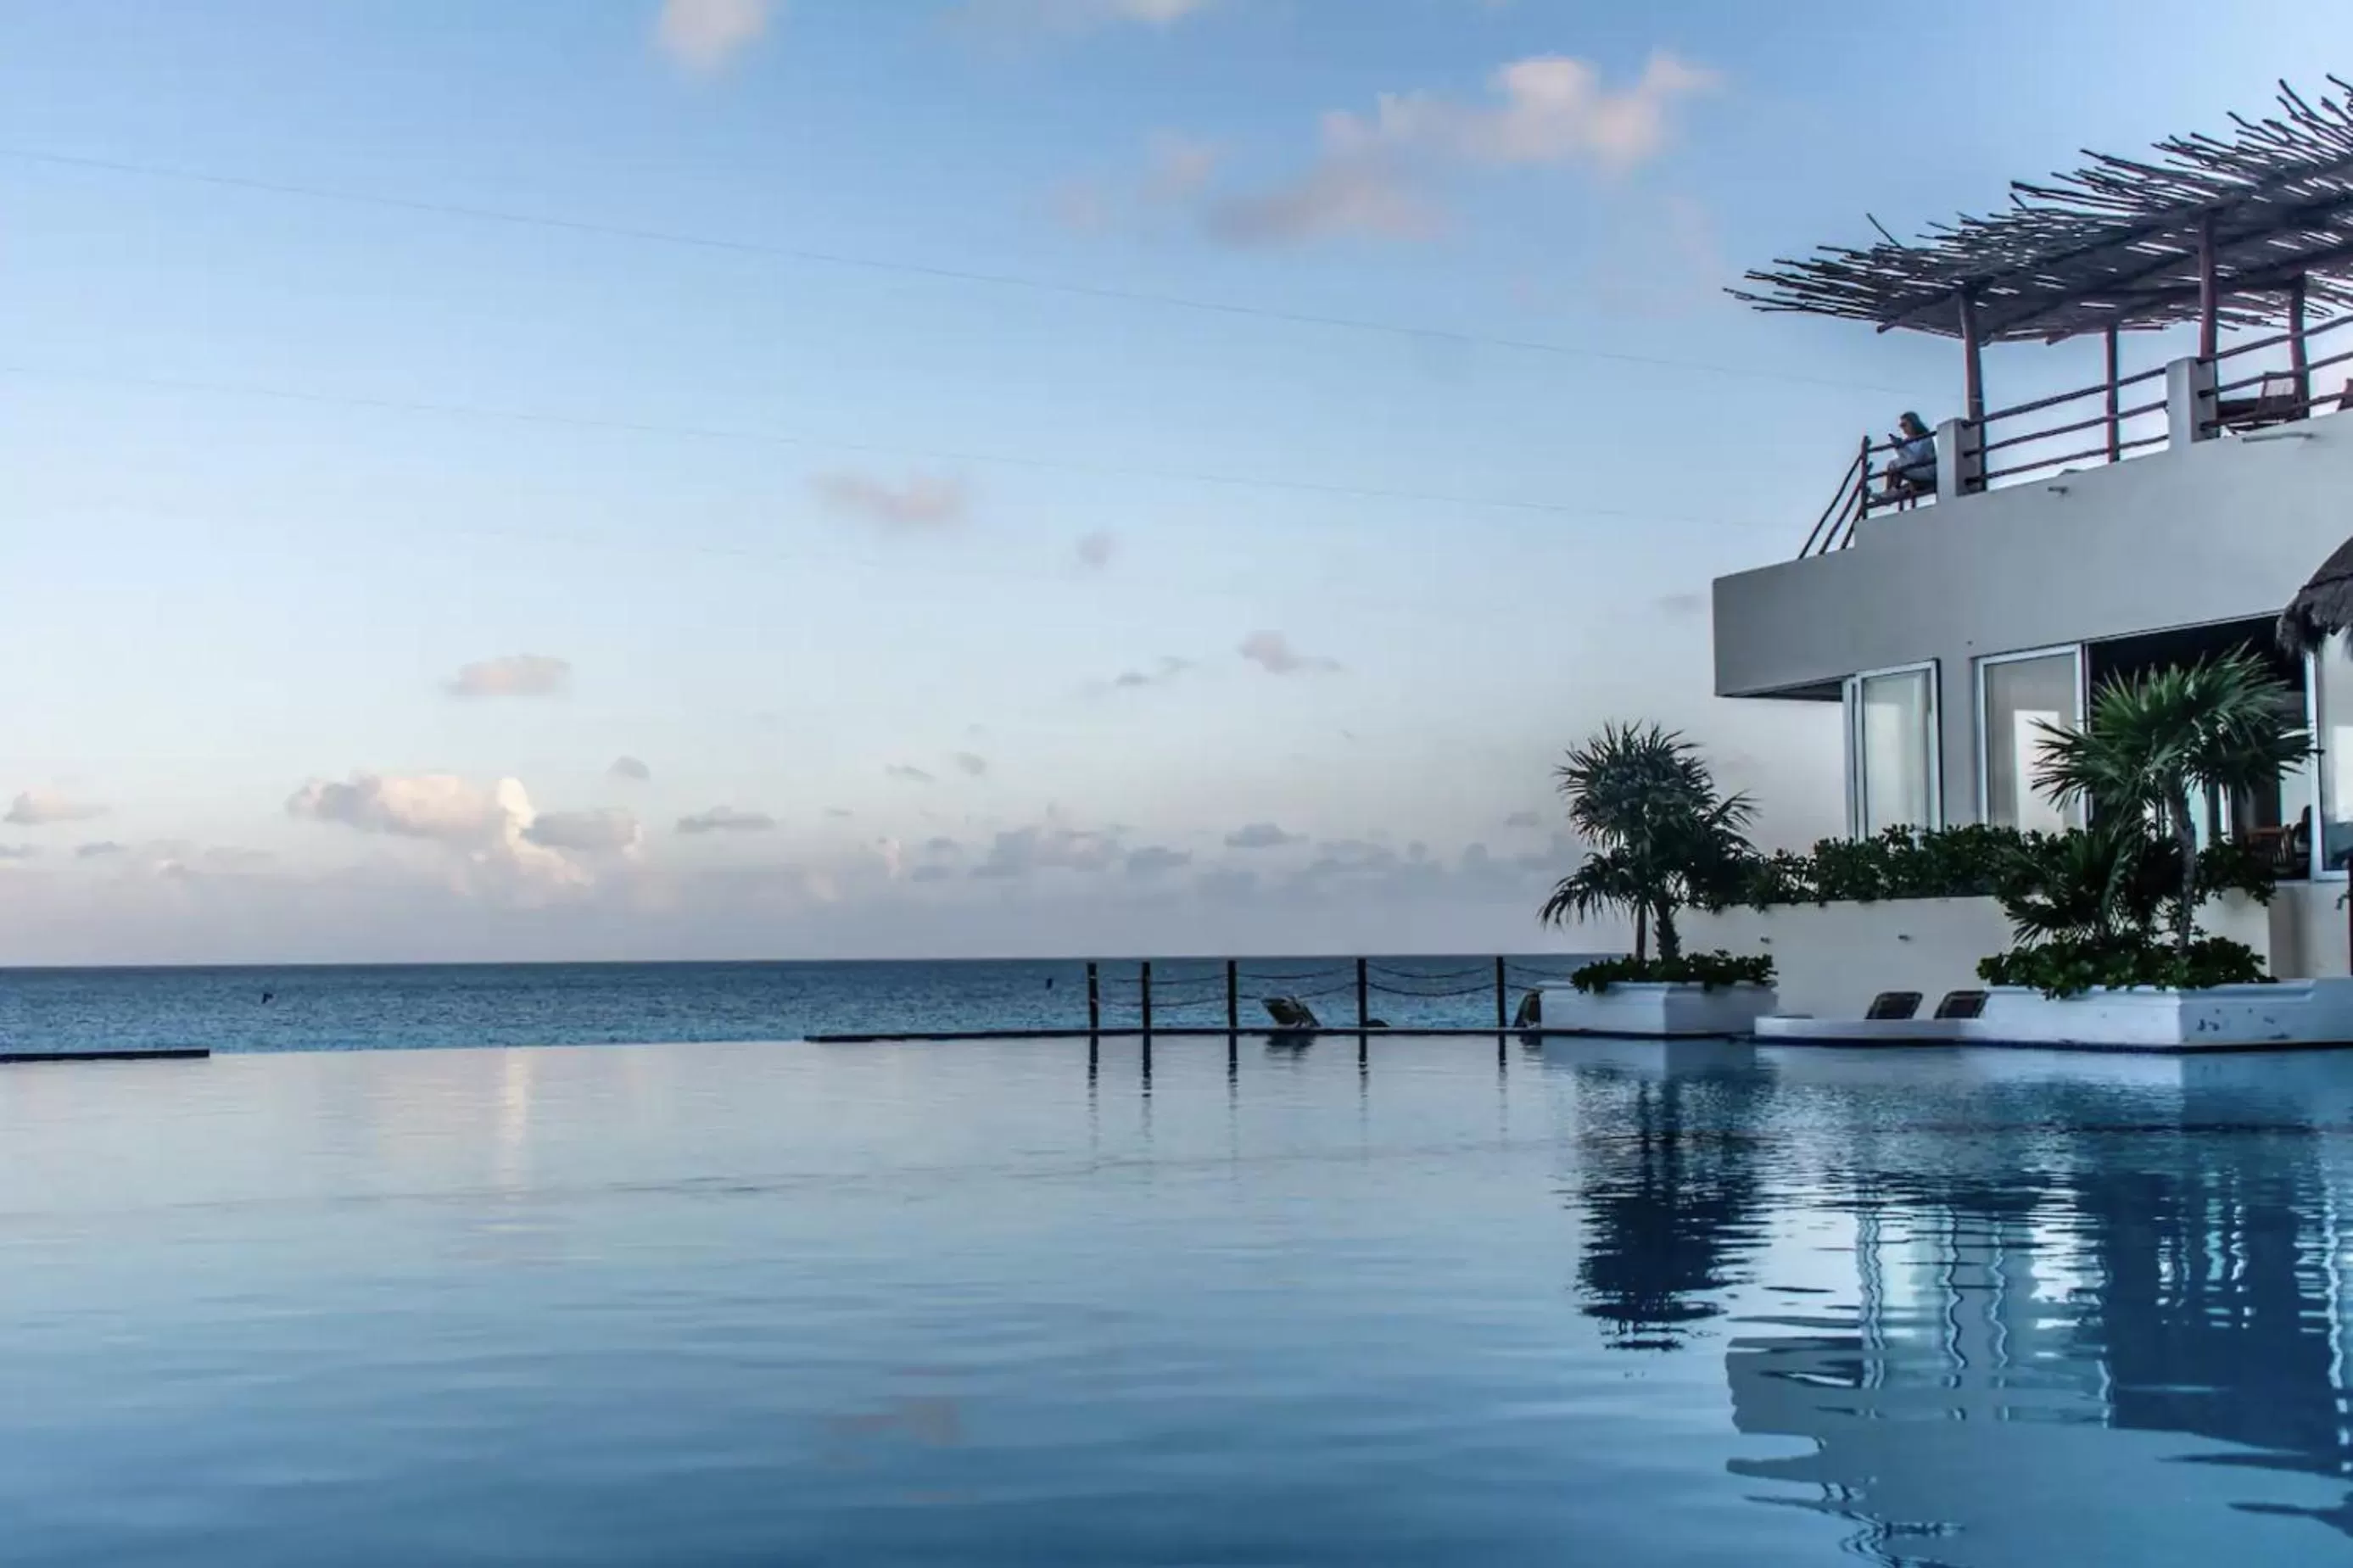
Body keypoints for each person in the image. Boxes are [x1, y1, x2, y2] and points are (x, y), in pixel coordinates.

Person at [1881, 411, 1937, 499]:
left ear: (1913, 423)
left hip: (1927, 471)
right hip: (1915, 468)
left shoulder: (1925, 438)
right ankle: (1890, 491)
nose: (1903, 428)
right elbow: (1906, 459)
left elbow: (1916, 459)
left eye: (1904, 425)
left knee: (1896, 465)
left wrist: (1902, 447)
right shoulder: (1908, 441)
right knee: (1893, 464)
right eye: (1901, 426)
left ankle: (1892, 492)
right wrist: (1899, 447)